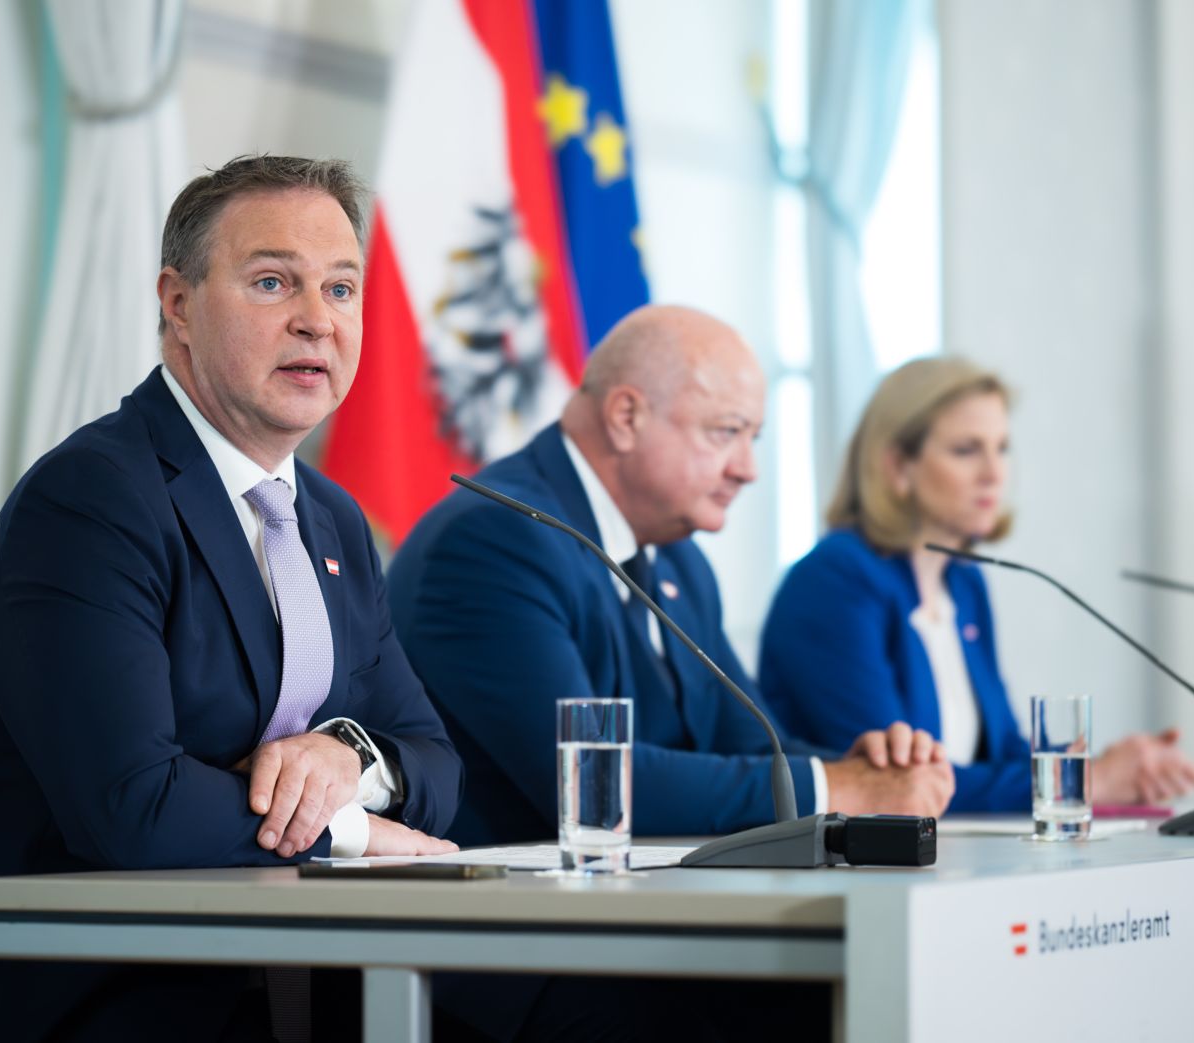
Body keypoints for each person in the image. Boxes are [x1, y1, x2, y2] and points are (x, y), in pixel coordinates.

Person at [0, 156, 462, 1041]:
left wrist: (350, 758)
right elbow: (134, 808)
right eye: (273, 281)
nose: (316, 320)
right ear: (177, 302)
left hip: (259, 969)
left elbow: (437, 768)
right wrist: (355, 829)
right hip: (59, 990)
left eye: (342, 289)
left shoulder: (330, 518)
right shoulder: (96, 496)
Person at [387, 304, 953, 1041]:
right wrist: (834, 787)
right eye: (726, 433)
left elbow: (760, 748)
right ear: (625, 415)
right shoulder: (497, 539)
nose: (748, 467)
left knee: (907, 985)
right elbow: (594, 787)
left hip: (642, 922)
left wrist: (860, 771)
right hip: (519, 957)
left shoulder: (678, 557)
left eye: (753, 438)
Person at [758, 355, 1194, 814]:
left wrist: (1110, 767)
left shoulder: (965, 583)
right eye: (967, 450)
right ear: (898, 466)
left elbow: (1002, 749)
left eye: (1002, 447)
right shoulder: (835, 580)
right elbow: (896, 782)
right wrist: (1089, 779)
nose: (995, 472)